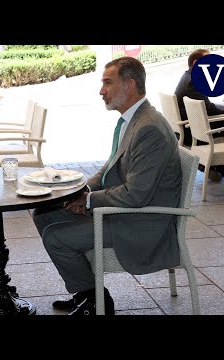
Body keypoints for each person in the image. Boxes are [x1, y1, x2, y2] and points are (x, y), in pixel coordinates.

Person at [33, 57, 182, 316]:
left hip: (143, 222)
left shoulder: (149, 129)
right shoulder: (132, 119)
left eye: (107, 83)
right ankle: (88, 293)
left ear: (130, 84)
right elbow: (109, 168)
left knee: (55, 237)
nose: (101, 90)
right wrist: (82, 192)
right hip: (127, 210)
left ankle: (97, 300)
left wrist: (89, 202)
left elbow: (136, 194)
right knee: (45, 213)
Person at [174, 48, 224, 180]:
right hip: (193, 132)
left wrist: (223, 108)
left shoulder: (187, 76)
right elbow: (207, 108)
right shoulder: (193, 82)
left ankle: (215, 165)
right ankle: (213, 163)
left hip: (186, 128)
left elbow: (204, 104)